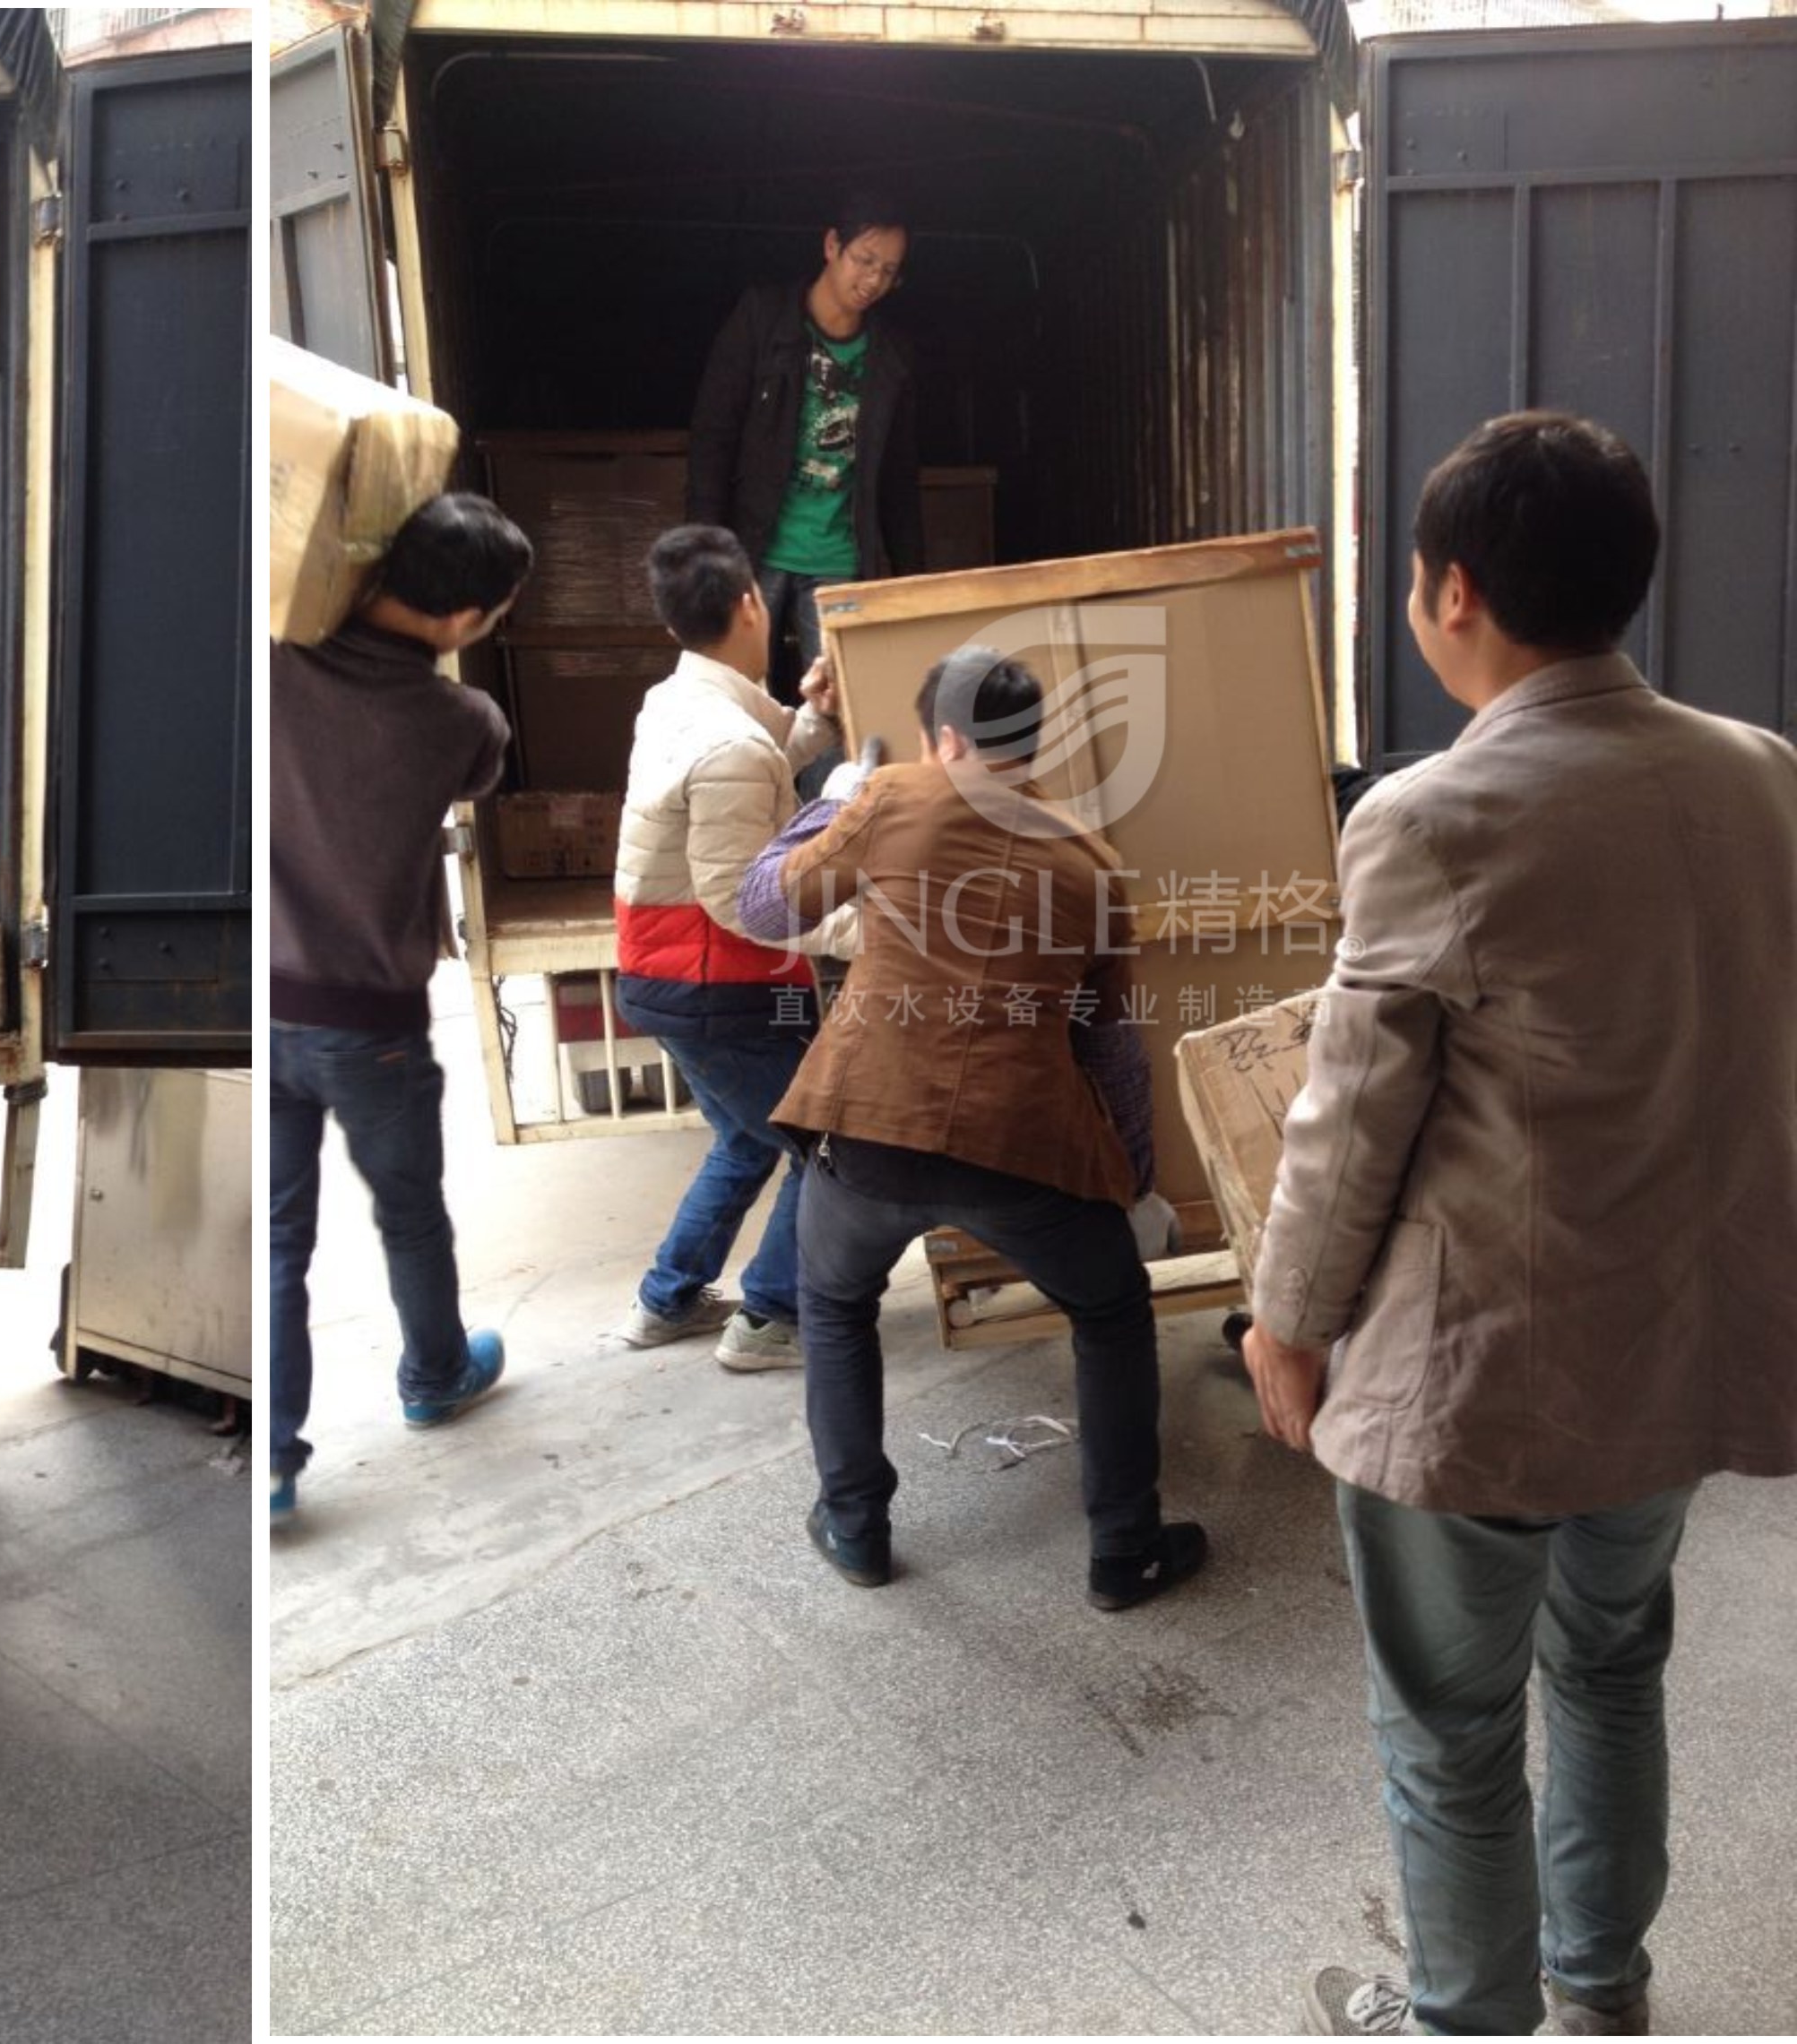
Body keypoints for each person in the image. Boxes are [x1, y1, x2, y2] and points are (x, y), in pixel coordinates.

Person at [1244, 414, 1797, 2039]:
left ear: (1453, 593)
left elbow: (1350, 1118)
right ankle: (1600, 1984)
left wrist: (1285, 1321)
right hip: (1678, 1342)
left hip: (1484, 1370)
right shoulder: (1763, 774)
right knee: (1613, 1665)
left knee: (1449, 1726)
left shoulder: (1434, 814)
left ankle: (1468, 2016)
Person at [741, 649, 1205, 1608]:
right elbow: (1109, 1047)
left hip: (867, 1128)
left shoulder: (891, 797)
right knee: (1112, 1310)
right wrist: (1133, 1180)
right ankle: (1124, 1550)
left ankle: (855, 1526)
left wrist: (834, 799)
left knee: (833, 1302)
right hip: (1022, 1143)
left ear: (943, 738)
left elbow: (763, 905)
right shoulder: (1091, 864)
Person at [268, 494, 531, 1523]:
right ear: (465, 618)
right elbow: (479, 778)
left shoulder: (276, 664)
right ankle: (433, 1376)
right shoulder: (461, 722)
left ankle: (277, 1467)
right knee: (409, 1213)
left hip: (265, 1005)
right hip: (370, 1024)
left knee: (278, 1238)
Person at [609, 525, 859, 1369]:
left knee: (750, 1139)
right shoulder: (730, 741)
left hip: (662, 973)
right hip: (718, 985)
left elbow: (753, 771)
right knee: (828, 1140)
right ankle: (769, 1319)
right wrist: (856, 928)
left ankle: (667, 1299)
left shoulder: (676, 702)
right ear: (752, 603)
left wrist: (814, 718)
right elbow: (738, 900)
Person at [686, 193, 924, 718]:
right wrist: (705, 553)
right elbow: (712, 438)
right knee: (737, 705)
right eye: (865, 260)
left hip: (840, 559)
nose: (874, 280)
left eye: (889, 271)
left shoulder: (891, 353)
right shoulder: (762, 318)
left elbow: (898, 481)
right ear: (832, 245)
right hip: (756, 552)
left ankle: (830, 782)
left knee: (839, 712)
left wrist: (911, 580)